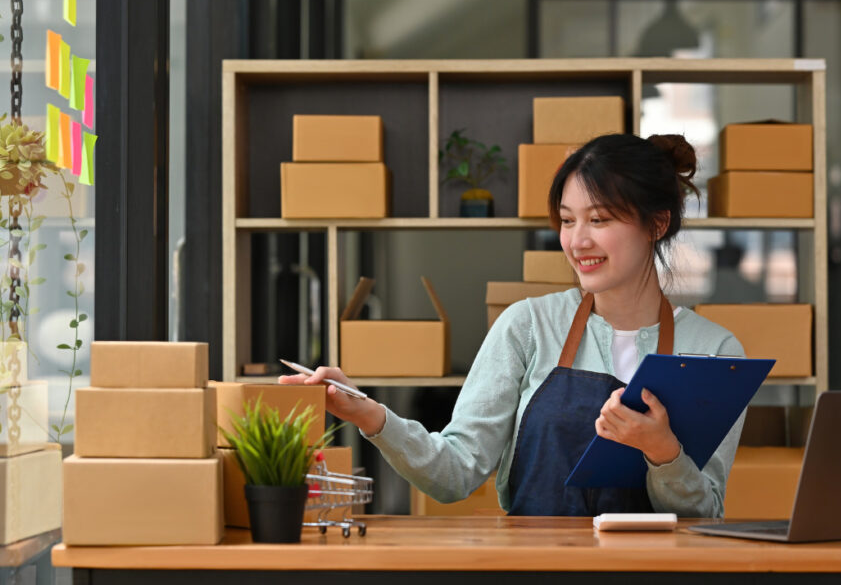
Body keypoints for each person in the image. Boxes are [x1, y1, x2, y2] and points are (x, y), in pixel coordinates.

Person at [280, 133, 745, 517]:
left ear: (657, 224)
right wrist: (368, 414)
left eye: (599, 219)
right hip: (535, 570)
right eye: (567, 220)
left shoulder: (716, 352)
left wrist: (663, 451)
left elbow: (706, 511)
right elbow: (455, 473)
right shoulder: (528, 326)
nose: (577, 240)